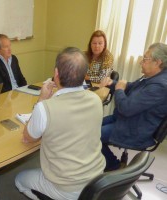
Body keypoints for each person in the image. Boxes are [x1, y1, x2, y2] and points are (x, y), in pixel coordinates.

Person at [15, 47, 105, 199]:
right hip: (97, 179)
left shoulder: (45, 108)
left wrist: (41, 99)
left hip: (66, 189)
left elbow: (27, 137)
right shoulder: (96, 100)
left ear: (56, 73)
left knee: (19, 179)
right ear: (85, 75)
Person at [100, 43, 167, 171]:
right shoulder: (152, 77)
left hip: (136, 129)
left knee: (92, 135)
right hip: (127, 120)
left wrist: (119, 90)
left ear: (157, 62)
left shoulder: (160, 86)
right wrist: (112, 83)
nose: (141, 62)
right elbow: (131, 87)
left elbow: (126, 108)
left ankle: (115, 167)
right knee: (89, 126)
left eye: (145, 59)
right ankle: (103, 162)